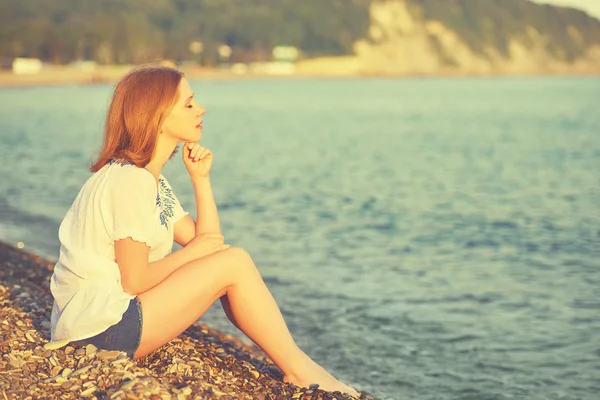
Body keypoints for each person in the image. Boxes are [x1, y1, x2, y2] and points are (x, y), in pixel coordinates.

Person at [48, 64, 359, 397]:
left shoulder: (148, 180)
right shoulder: (131, 181)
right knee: (235, 262)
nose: (201, 109)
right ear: (158, 116)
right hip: (98, 333)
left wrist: (201, 179)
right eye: (189, 104)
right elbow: (135, 280)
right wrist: (193, 254)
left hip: (94, 325)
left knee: (229, 260)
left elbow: (209, 243)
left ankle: (299, 365)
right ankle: (301, 369)